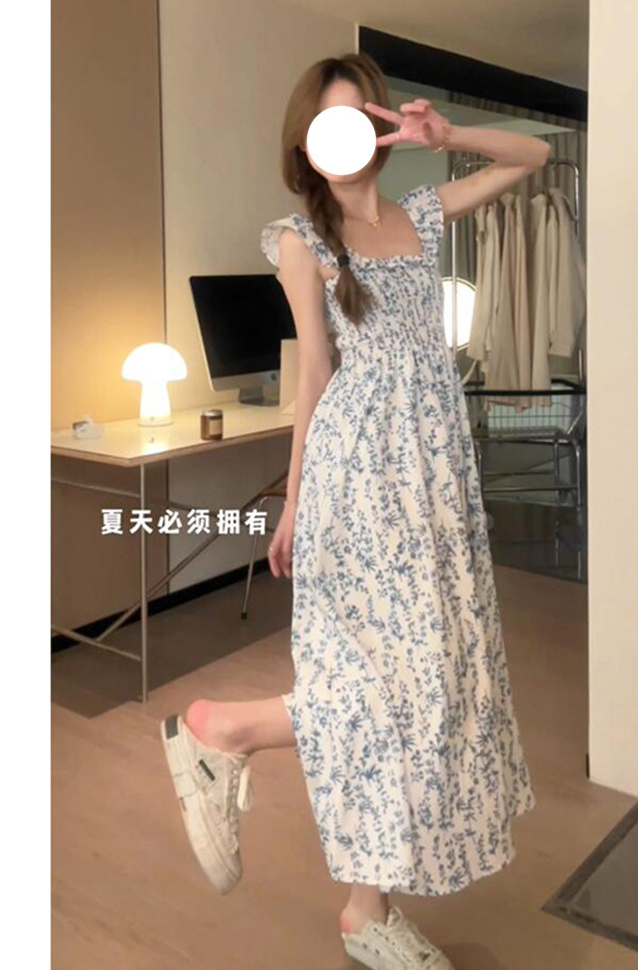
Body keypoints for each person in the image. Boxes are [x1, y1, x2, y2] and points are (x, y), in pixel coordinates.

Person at [160, 52, 550, 970]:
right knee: (381, 685)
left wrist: (443, 135)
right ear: (306, 142)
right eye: (327, 124)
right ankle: (222, 731)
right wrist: (294, 501)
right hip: (359, 474)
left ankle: (363, 908)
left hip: (434, 477)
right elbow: (316, 373)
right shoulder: (304, 239)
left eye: (362, 119)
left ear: (379, 127)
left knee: (434, 681)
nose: (347, 139)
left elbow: (531, 156)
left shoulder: (421, 213)